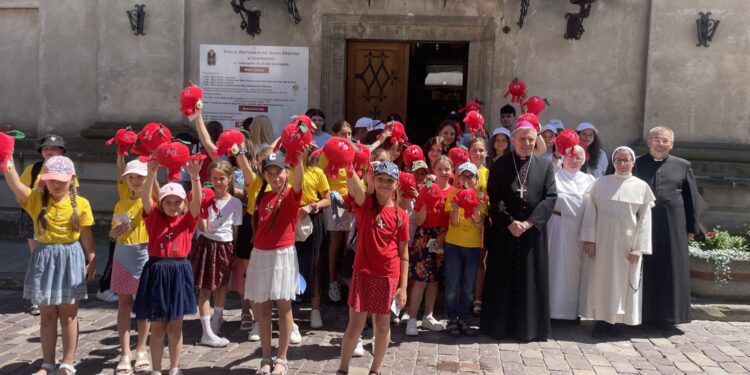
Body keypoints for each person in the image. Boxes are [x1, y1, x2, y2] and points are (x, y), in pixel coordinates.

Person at [2, 155, 95, 375]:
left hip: (70, 259)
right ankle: (48, 363)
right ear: (44, 179)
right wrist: (7, 159)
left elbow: (86, 234)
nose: (55, 184)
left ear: (71, 179)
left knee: (69, 315)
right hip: (44, 259)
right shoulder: (36, 200)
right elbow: (15, 185)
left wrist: (91, 256)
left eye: (61, 180)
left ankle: (68, 362)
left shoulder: (82, 204)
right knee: (47, 316)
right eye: (51, 179)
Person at [481, 122, 557, 342]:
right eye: (522, 139)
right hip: (506, 232)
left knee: (531, 280)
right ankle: (498, 327)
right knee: (502, 278)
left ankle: (530, 329)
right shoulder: (500, 164)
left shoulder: (545, 165)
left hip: (532, 233)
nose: (527, 143)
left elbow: (550, 196)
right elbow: (494, 197)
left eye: (531, 139)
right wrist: (510, 222)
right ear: (513, 140)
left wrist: (530, 222)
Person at [337, 161, 409, 375]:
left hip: (388, 277)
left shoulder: (401, 215)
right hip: (364, 273)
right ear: (372, 180)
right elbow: (355, 188)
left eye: (389, 180)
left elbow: (404, 254)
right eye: (380, 179)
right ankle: (343, 368)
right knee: (355, 325)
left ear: (396, 184)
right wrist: (350, 165)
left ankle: (376, 369)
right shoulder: (365, 205)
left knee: (383, 325)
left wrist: (403, 287)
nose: (385, 184)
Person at [135, 159, 203, 375]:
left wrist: (195, 177)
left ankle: (174, 367)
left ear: (183, 203)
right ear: (161, 203)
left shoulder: (187, 220)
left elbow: (198, 202)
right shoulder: (154, 218)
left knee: (175, 325)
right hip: (156, 271)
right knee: (157, 326)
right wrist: (151, 174)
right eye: (168, 202)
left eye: (177, 202)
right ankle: (156, 368)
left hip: (179, 272)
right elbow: (146, 198)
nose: (173, 206)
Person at [578, 146, 655, 338]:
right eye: (618, 160)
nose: (621, 164)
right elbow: (590, 212)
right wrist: (589, 240)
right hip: (601, 243)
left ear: (632, 162)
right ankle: (601, 321)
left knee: (622, 282)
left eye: (626, 160)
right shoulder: (600, 183)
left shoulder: (641, 187)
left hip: (626, 245)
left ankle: (618, 322)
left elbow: (645, 220)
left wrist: (639, 248)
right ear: (613, 163)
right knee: (600, 281)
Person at [634, 126, 704, 332]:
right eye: (656, 139)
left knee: (672, 268)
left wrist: (692, 226)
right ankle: (641, 315)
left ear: (671, 144)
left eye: (665, 140)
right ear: (648, 141)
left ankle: (669, 317)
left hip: (673, 226)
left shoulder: (683, 165)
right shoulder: (636, 163)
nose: (660, 144)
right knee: (644, 268)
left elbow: (691, 199)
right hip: (644, 223)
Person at [245, 150, 305, 375]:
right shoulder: (263, 196)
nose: (274, 176)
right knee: (262, 309)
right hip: (261, 254)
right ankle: (266, 356)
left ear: (286, 173)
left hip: (281, 255)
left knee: (283, 307)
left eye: (278, 172)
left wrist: (299, 161)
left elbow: (299, 182)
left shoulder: (290, 194)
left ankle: (282, 357)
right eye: (269, 172)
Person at [110, 159, 154, 374]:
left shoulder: (151, 200)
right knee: (124, 305)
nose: (136, 181)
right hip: (123, 252)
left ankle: (141, 350)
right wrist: (113, 232)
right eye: (132, 177)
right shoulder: (120, 204)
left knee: (143, 306)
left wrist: (153, 169)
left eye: (140, 177)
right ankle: (125, 352)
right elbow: (112, 232)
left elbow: (151, 209)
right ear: (126, 180)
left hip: (144, 253)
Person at [546, 145, 595, 321]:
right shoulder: (554, 175)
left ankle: (571, 312)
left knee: (575, 270)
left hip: (579, 230)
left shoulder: (590, 180)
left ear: (584, 159)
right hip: (556, 226)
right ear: (563, 157)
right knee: (555, 266)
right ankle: (551, 310)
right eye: (570, 156)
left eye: (578, 157)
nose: (574, 161)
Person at [443, 162, 487, 337]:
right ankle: (452, 318)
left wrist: (476, 209)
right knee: (453, 284)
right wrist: (454, 210)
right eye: (464, 176)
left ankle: (464, 318)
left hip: (473, 245)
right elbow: (453, 223)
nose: (467, 179)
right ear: (458, 178)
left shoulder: (481, 196)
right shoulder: (453, 195)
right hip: (453, 243)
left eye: (471, 176)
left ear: (476, 179)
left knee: (468, 285)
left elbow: (479, 223)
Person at [292, 148, 331, 329]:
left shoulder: (317, 172)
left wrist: (312, 206)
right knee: (291, 263)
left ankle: (315, 310)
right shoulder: (285, 170)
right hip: (290, 219)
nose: (300, 151)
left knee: (314, 264)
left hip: (312, 219)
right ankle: (289, 311)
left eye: (304, 148)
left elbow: (327, 199)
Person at [323, 121, 355, 303]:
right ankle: (332, 281)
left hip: (351, 200)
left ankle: (346, 279)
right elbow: (323, 176)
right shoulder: (328, 151)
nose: (347, 137)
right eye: (343, 133)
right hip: (335, 201)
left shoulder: (352, 151)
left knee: (349, 242)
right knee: (335, 242)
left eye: (349, 134)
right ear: (334, 134)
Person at [467, 138, 489, 316]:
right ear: (469, 152)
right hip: (464, 222)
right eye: (475, 150)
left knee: (480, 262)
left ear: (486, 152)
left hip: (482, 221)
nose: (478, 153)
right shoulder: (463, 171)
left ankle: (478, 299)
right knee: (464, 262)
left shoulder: (489, 173)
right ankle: (463, 298)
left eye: (481, 150)